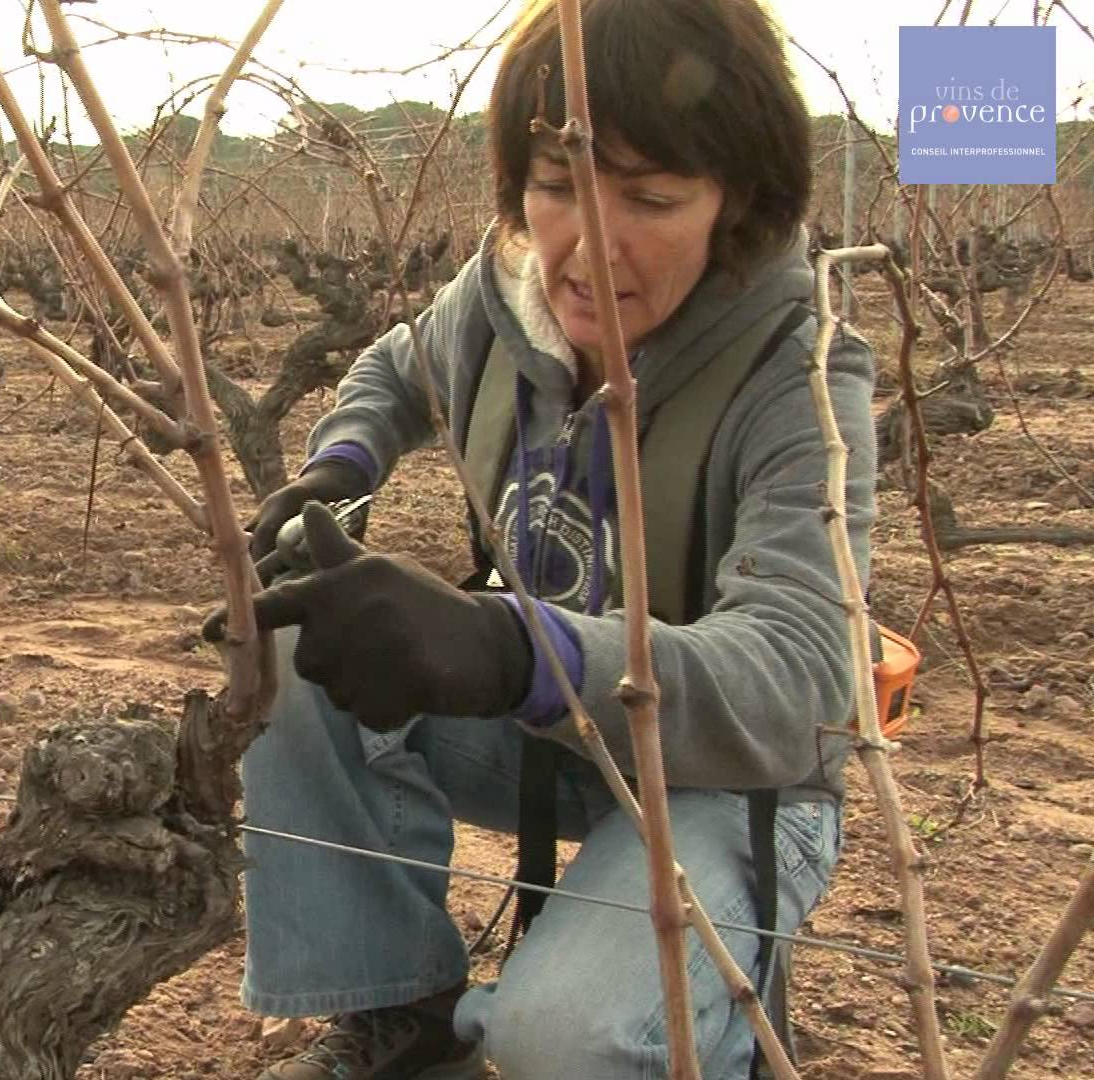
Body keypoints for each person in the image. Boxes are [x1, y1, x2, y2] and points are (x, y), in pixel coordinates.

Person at [231, 0, 879, 1077]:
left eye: (652, 196)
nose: (586, 245)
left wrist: (508, 648)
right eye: (552, 184)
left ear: (741, 205)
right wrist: (338, 467)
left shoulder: (799, 374)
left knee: (568, 1041)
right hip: (544, 735)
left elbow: (805, 678)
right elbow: (396, 367)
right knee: (302, 638)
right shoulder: (504, 301)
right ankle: (402, 1012)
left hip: (727, 776)